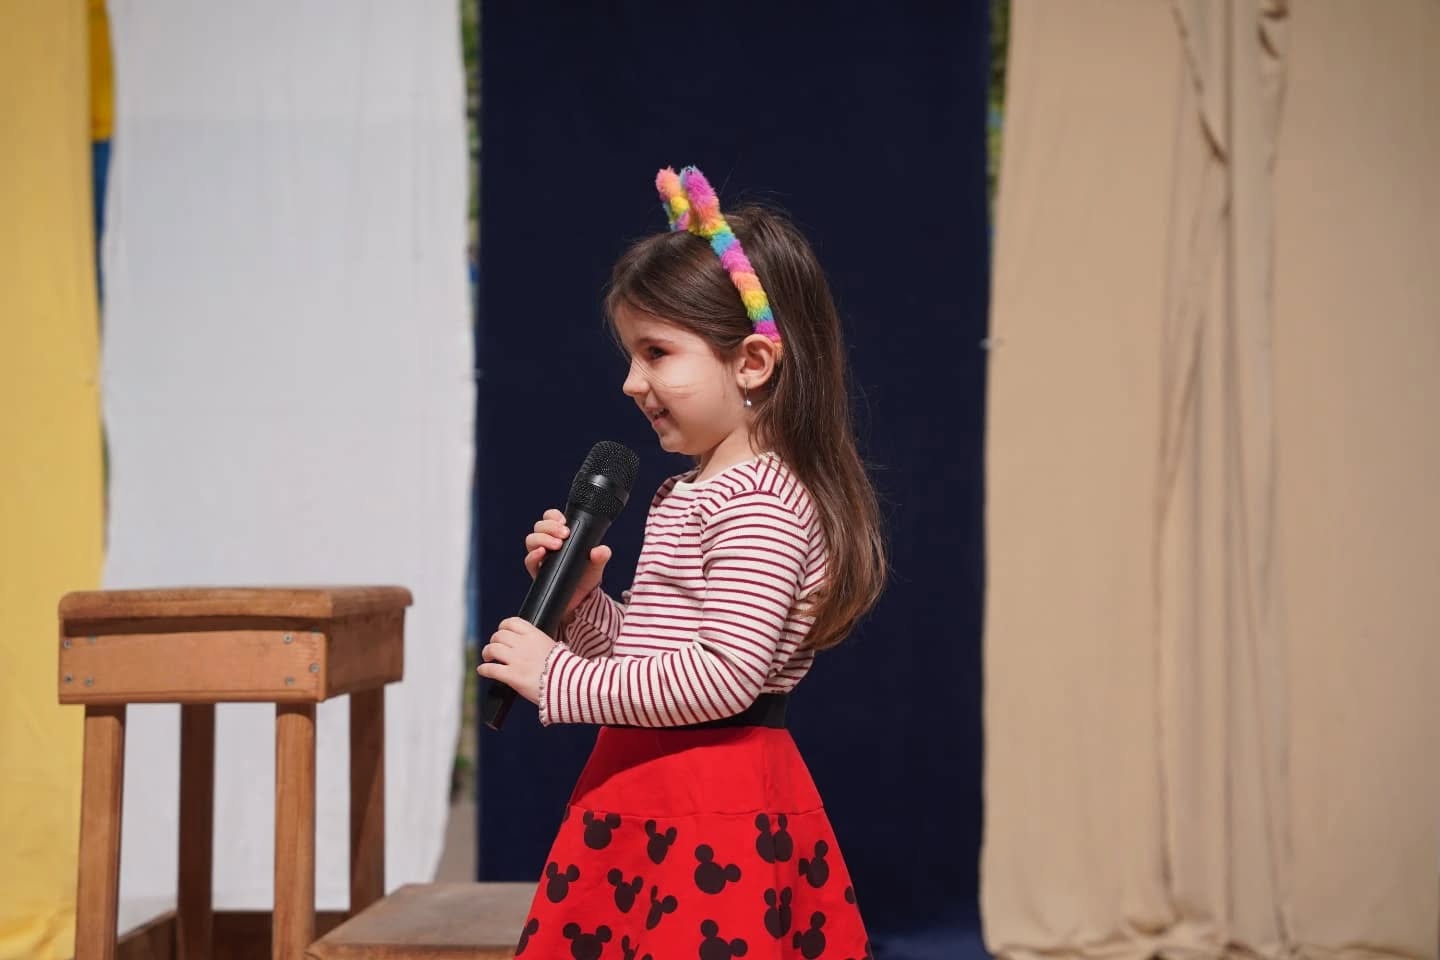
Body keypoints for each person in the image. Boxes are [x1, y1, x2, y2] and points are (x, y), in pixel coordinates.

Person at [478, 165, 885, 959]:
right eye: (632, 356)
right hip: (654, 786)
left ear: (753, 363)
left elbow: (723, 677)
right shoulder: (696, 489)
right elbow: (658, 660)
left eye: (657, 353)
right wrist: (584, 607)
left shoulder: (760, 502)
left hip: (708, 806)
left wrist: (557, 677)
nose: (632, 382)